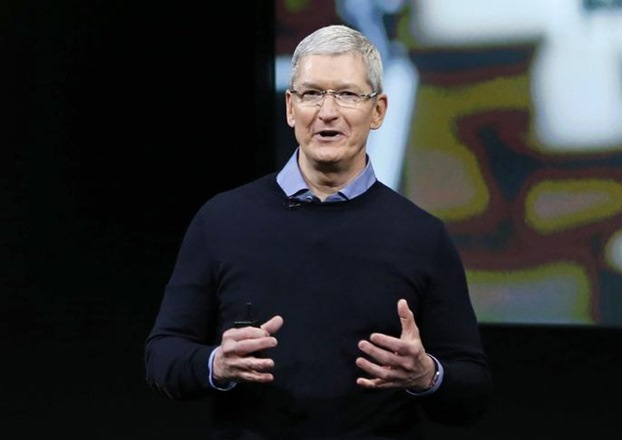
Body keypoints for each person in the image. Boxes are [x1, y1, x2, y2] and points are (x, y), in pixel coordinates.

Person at [144, 24, 492, 440]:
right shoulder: (221, 219)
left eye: (347, 94)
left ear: (378, 111)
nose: (327, 112)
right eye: (311, 94)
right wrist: (216, 363)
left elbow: (472, 390)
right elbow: (162, 357)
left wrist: (426, 375)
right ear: (291, 108)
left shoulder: (423, 236)